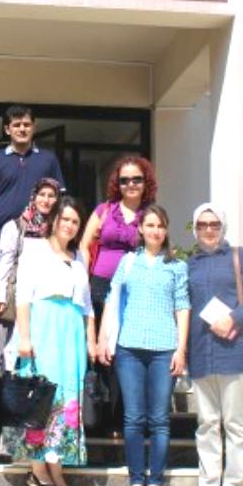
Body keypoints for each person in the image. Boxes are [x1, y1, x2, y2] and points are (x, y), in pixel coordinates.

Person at [0, 196, 96, 486]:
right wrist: (24, 338)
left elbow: (87, 305)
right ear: (54, 220)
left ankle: (57, 467)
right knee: (42, 400)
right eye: (65, 219)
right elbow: (23, 297)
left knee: (66, 401)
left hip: (71, 333)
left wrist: (91, 339)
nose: (69, 225)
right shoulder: (35, 250)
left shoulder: (78, 257)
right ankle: (37, 469)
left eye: (75, 221)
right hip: (43, 328)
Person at [98, 204, 190, 486]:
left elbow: (182, 307)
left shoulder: (177, 266)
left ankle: (156, 481)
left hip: (164, 349)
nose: (155, 231)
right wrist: (102, 339)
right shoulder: (127, 262)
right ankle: (136, 480)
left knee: (160, 419)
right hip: (129, 349)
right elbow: (111, 301)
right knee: (134, 418)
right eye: (150, 225)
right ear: (140, 228)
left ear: (166, 230)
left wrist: (181, 349)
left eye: (160, 226)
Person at [187, 203, 243, 486]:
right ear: (195, 229)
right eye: (202, 225)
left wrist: (233, 318)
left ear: (223, 227)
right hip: (200, 353)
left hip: (234, 353)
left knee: (234, 423)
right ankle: (209, 484)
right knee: (206, 423)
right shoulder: (190, 264)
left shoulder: (241, 257)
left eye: (214, 224)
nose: (209, 230)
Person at [78, 155, 158, 434]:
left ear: (145, 182)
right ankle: (102, 417)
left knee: (128, 351)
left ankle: (125, 418)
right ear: (117, 183)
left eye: (137, 179)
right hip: (101, 286)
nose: (130, 185)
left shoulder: (150, 214)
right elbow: (85, 245)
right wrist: (83, 281)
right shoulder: (104, 210)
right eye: (125, 180)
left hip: (135, 291)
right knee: (103, 352)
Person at [0, 105, 64, 263]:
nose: (22, 129)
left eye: (26, 125)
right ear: (7, 129)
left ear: (34, 127)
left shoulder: (49, 159)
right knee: (0, 278)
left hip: (39, 239)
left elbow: (59, 202)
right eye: (16, 125)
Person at [0, 178, 60, 369]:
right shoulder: (16, 226)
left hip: (47, 300)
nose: (46, 200)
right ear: (33, 197)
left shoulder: (59, 229)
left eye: (51, 196)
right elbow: (5, 263)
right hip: (19, 294)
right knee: (11, 352)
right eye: (42, 194)